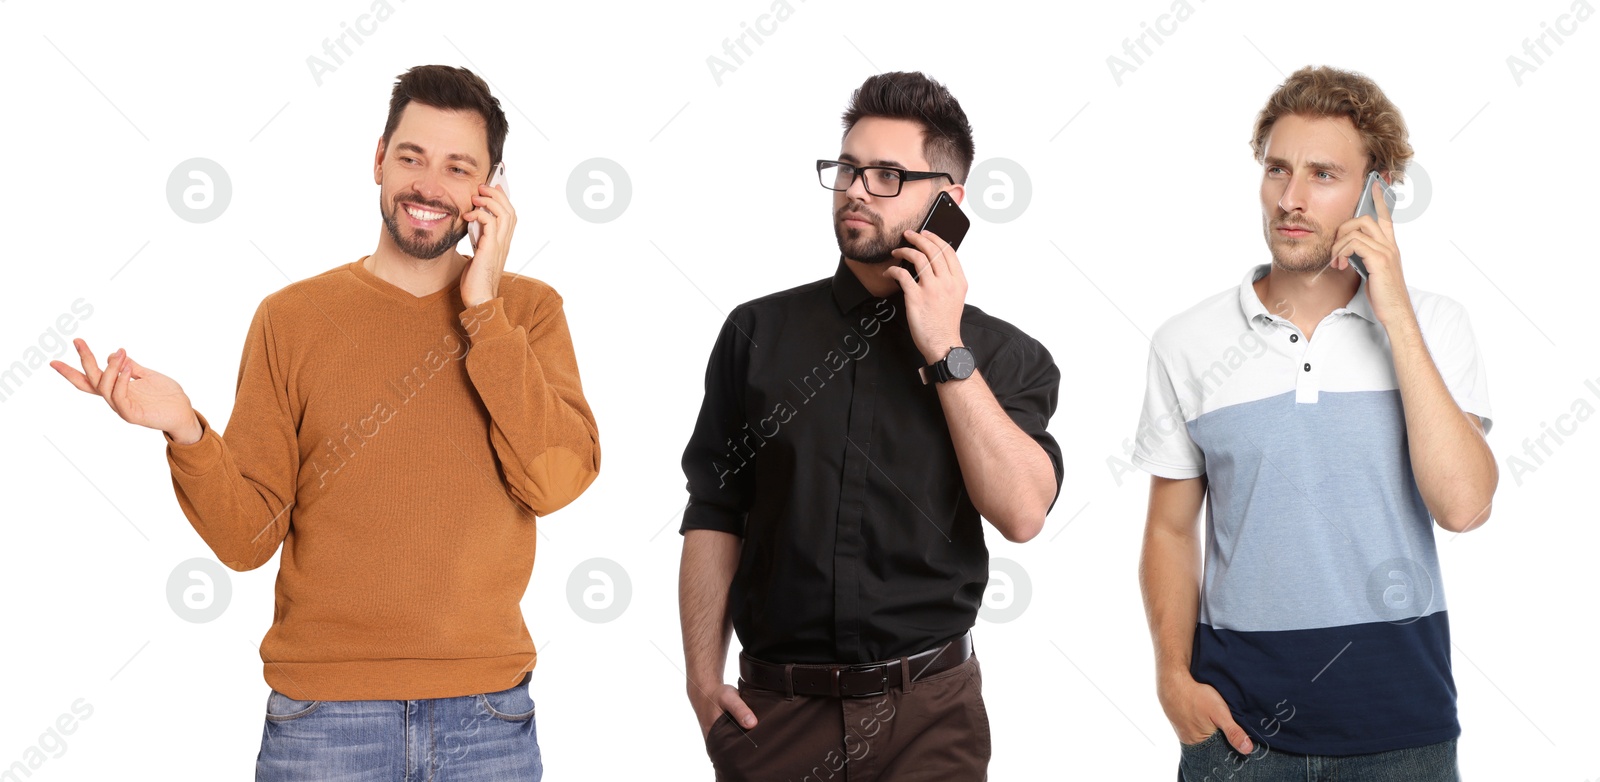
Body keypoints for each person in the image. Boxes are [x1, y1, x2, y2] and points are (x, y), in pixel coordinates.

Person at [51, 64, 599, 780]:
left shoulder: (527, 313)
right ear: (378, 160)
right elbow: (249, 540)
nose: (429, 186)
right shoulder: (292, 320)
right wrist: (186, 429)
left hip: (485, 718)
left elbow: (556, 480)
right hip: (324, 723)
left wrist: (485, 309)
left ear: (491, 188)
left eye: (458, 167)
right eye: (412, 157)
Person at [678, 70, 1064, 780]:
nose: (857, 188)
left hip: (932, 718)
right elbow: (713, 511)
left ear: (948, 202)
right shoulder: (755, 333)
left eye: (888, 174)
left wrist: (946, 351)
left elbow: (1021, 511)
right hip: (776, 720)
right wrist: (704, 686)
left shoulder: (1006, 358)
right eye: (848, 168)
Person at [1133, 65, 1496, 781]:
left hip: (1404, 735)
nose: (1290, 200)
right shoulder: (1187, 342)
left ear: (1377, 191)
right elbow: (1170, 529)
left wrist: (1392, 311)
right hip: (1235, 739)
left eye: (1323, 175)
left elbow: (1463, 505)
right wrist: (1173, 679)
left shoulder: (1438, 328)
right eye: (1277, 170)